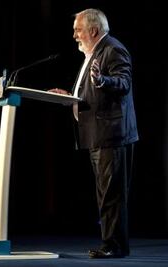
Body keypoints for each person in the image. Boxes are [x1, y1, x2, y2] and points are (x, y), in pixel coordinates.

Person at [49, 8, 138, 258]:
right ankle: (113, 244)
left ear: (93, 30)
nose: (75, 35)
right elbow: (92, 92)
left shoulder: (112, 49)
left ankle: (114, 246)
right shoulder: (94, 51)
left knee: (112, 195)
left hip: (112, 135)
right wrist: (72, 98)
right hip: (99, 134)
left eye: (78, 29)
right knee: (106, 193)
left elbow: (123, 83)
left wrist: (102, 81)